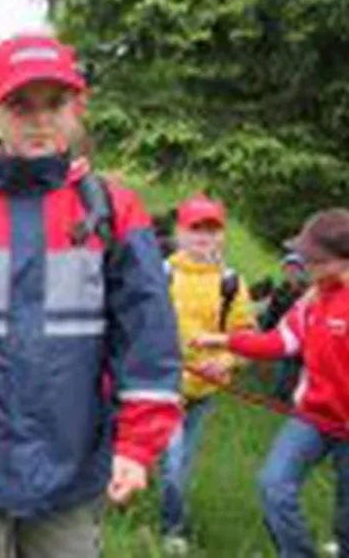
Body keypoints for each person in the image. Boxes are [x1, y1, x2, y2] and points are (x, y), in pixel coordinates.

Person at [0, 33, 183, 558]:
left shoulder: (114, 211)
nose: (40, 119)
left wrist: (137, 445)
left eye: (55, 103)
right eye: (20, 104)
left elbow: (148, 335)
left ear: (78, 109)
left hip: (72, 470)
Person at [195, 208, 349, 558]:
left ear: (340, 261)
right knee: (274, 486)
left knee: (347, 512)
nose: (303, 263)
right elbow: (280, 342)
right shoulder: (312, 300)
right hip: (312, 417)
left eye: (313, 258)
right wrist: (224, 341)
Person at [159, 193, 255, 554]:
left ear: (222, 236)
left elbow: (246, 337)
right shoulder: (162, 274)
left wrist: (227, 361)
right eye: (195, 228)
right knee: (171, 465)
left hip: (206, 390)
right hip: (166, 387)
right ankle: (172, 531)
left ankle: (170, 519)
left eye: (212, 229)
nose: (204, 236)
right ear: (180, 232)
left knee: (181, 465)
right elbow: (142, 327)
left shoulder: (230, 283)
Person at [258, 251, 310, 402]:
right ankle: (281, 395)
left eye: (295, 268)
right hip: (284, 333)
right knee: (285, 364)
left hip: (302, 336)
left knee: (293, 365)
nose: (291, 272)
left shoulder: (307, 292)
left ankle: (284, 396)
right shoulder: (281, 290)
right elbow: (271, 312)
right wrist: (265, 330)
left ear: (302, 271)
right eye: (288, 268)